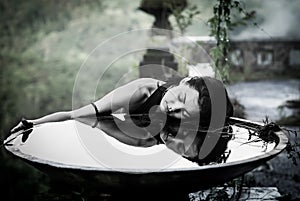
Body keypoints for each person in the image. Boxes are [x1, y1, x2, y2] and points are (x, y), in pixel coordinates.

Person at [9, 76, 234, 165]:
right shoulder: (143, 92)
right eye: (182, 97)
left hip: (147, 138)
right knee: (94, 120)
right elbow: (81, 115)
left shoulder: (165, 136)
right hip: (123, 123)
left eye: (183, 115)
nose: (173, 108)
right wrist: (34, 123)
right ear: (183, 82)